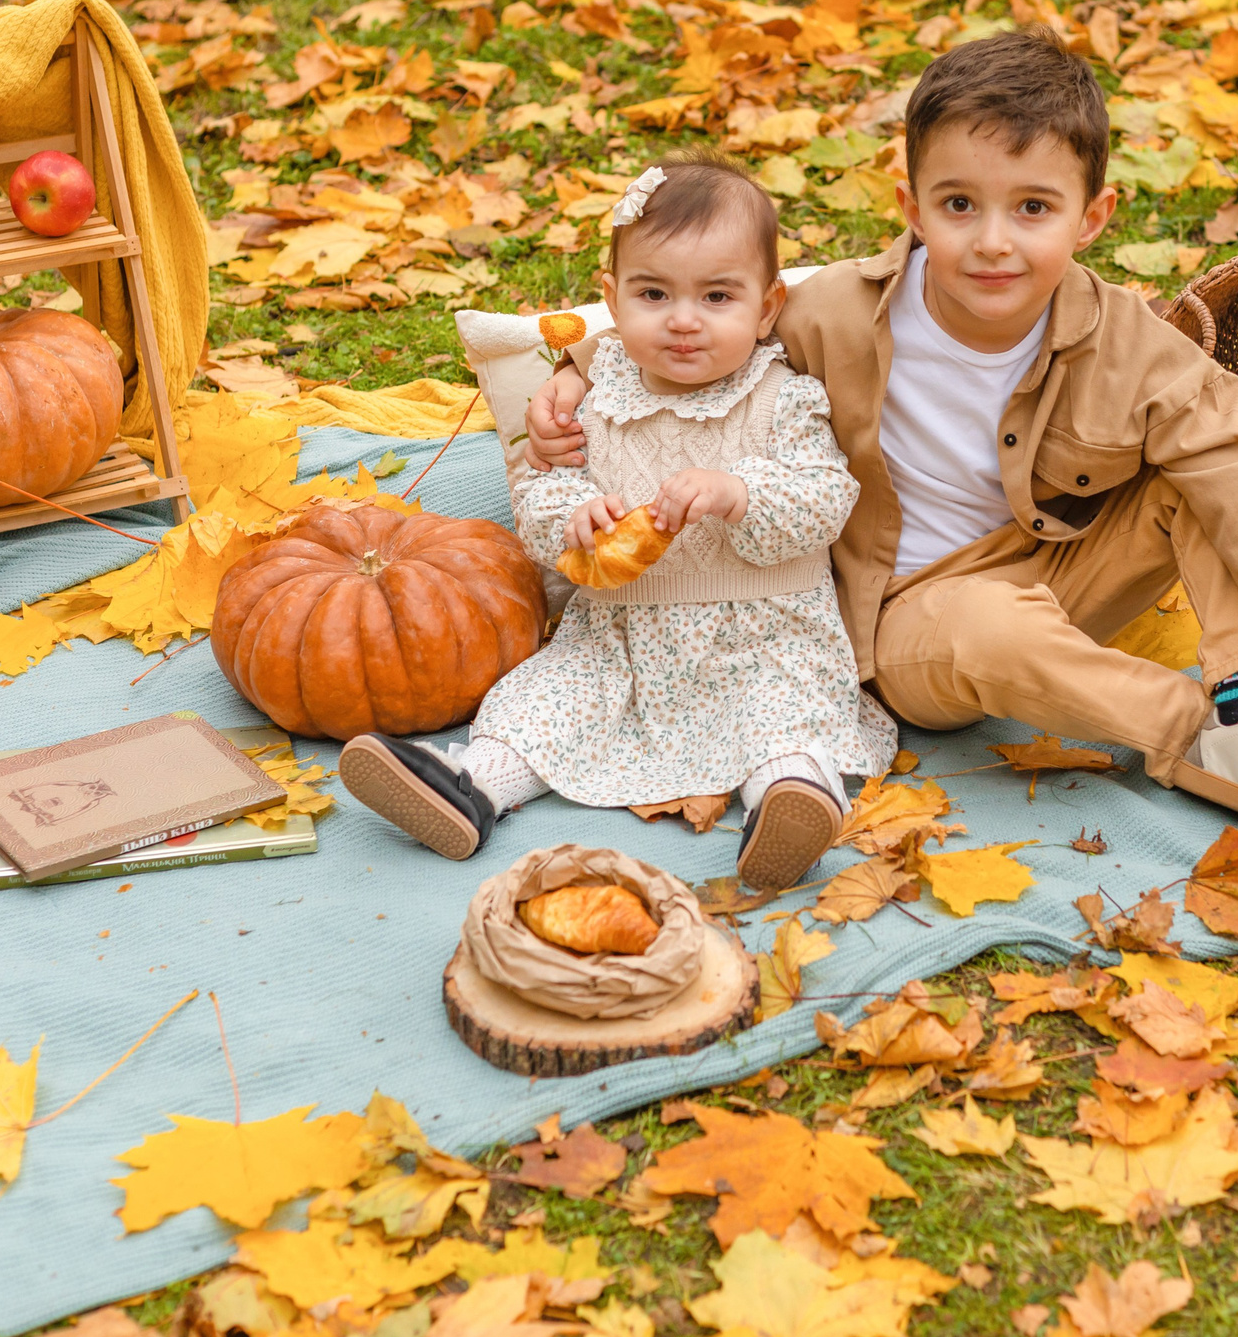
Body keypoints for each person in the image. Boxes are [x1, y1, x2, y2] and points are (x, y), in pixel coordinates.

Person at [523, 29, 1238, 860]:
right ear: (912, 206)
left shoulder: (1126, 340)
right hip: (909, 618)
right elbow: (704, 315)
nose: (994, 242)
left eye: (1033, 208)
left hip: (1057, 570)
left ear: (1092, 216)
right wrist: (578, 369)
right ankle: (1201, 730)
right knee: (993, 627)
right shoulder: (834, 312)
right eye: (959, 204)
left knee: (1206, 474)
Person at [338, 152, 896, 891]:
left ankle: (790, 800)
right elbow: (541, 494)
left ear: (766, 308)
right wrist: (572, 515)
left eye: (718, 296)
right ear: (613, 298)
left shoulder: (782, 397)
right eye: (653, 293)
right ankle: (472, 786)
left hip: (765, 634)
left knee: (783, 717)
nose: (683, 319)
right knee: (547, 701)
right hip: (622, 637)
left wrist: (739, 491)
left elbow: (825, 497)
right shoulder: (594, 399)